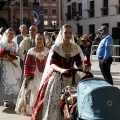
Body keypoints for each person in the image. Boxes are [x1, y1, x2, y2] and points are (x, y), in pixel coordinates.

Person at [31, 24, 85, 120]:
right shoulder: (56, 47)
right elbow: (52, 63)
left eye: (70, 32)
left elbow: (79, 62)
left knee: (75, 100)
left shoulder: (75, 48)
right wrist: (61, 70)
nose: (68, 35)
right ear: (61, 33)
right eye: (66, 32)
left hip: (73, 77)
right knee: (55, 101)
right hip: (58, 77)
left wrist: (82, 68)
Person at [15, 33, 49, 116]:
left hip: (43, 75)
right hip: (33, 75)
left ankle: (41, 109)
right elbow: (26, 65)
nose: (39, 41)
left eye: (41, 39)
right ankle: (31, 110)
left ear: (43, 40)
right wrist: (26, 75)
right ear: (35, 41)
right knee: (31, 92)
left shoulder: (47, 51)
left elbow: (49, 64)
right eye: (38, 39)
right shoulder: (31, 51)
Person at [0, 28, 22, 107]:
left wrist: (17, 54)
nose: (12, 35)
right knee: (6, 80)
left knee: (16, 80)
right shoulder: (2, 43)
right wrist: (4, 58)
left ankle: (16, 98)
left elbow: (15, 53)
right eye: (10, 34)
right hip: (5, 64)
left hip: (13, 63)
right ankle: (5, 99)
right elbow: (0, 54)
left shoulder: (14, 43)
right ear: (6, 34)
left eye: (13, 34)